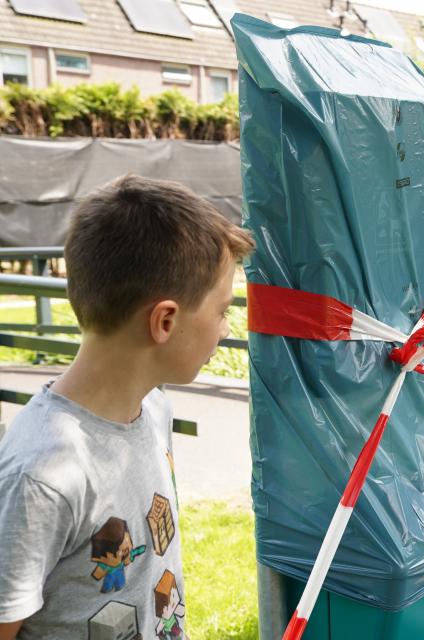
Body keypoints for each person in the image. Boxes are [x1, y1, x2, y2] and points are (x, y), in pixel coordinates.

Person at [0, 175, 254, 639]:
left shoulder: (154, 409)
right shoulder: (42, 474)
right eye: (221, 310)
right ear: (165, 320)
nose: (224, 329)